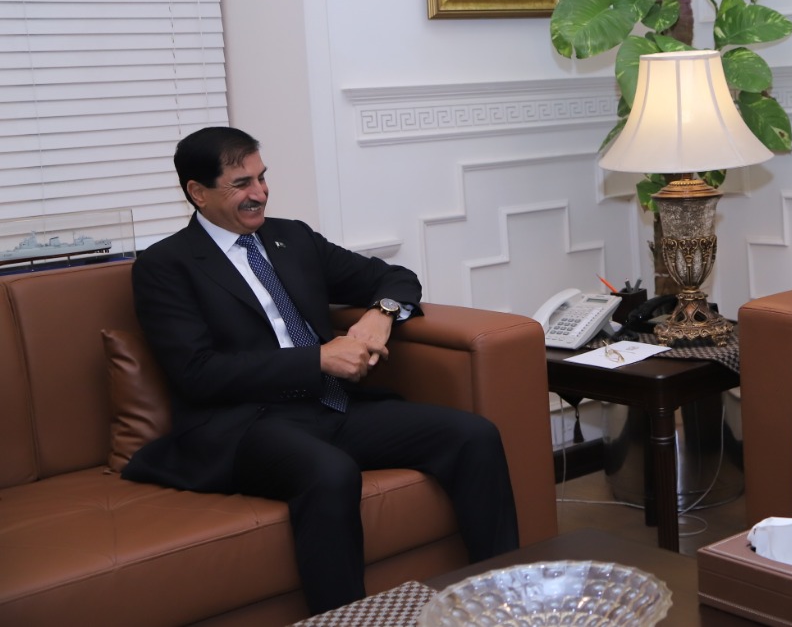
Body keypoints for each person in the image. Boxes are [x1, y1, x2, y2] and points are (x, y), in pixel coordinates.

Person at [123, 127, 519, 614]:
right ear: (198, 192)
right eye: (242, 184)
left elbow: (394, 277)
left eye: (262, 178)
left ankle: (501, 604)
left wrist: (382, 313)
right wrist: (317, 359)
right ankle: (345, 621)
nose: (260, 193)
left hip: (331, 405)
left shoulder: (291, 238)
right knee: (331, 472)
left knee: (473, 435)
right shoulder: (166, 265)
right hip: (247, 424)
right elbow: (197, 372)